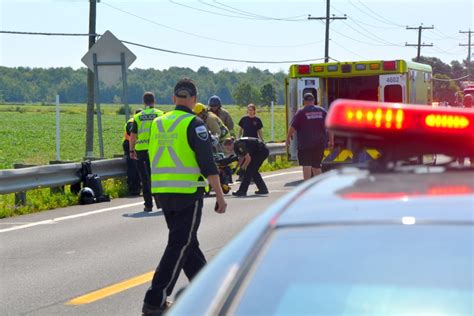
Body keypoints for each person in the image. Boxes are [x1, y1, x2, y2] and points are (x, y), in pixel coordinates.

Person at [142, 78, 227, 316]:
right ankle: (155, 299)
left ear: (173, 99)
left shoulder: (158, 123)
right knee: (179, 244)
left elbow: (151, 155)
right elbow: (208, 164)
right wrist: (220, 196)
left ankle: (207, 292)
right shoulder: (194, 124)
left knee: (188, 243)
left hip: (162, 192)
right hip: (187, 192)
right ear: (194, 100)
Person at [286, 92, 334, 180]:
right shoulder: (322, 111)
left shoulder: (301, 112)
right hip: (319, 144)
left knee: (306, 165)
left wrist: (288, 138)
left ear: (304, 101)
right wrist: (331, 141)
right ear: (314, 100)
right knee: (317, 166)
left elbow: (292, 127)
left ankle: (307, 187)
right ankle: (318, 187)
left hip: (305, 144)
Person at [130, 92, 164, 212]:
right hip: (157, 150)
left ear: (144, 102)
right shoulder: (161, 114)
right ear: (154, 101)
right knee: (157, 176)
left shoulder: (138, 116)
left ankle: (148, 205)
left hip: (141, 151)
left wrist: (131, 150)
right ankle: (160, 201)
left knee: (144, 179)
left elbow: (133, 136)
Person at [122, 108, 142, 195]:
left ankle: (138, 187)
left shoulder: (136, 121)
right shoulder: (132, 122)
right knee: (133, 167)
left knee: (138, 167)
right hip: (129, 145)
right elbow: (132, 134)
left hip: (137, 145)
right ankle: (133, 188)